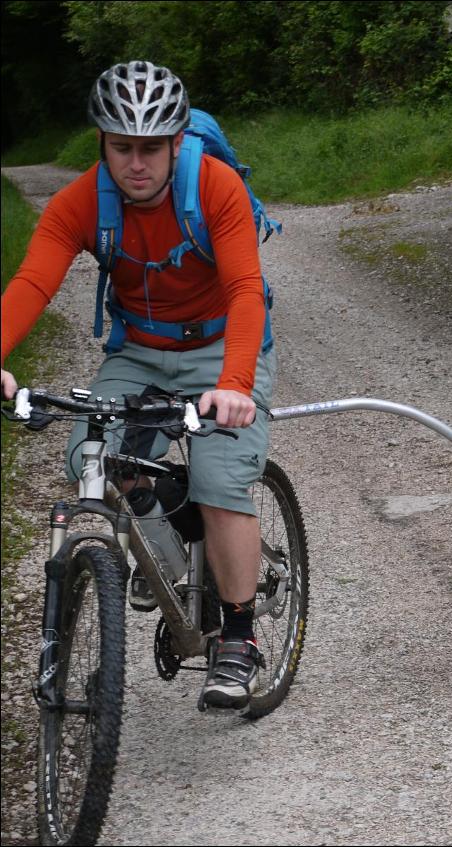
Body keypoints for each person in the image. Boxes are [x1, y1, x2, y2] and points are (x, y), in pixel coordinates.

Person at [1, 60, 275, 710]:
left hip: (220, 348)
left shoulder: (214, 189)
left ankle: (238, 635)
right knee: (88, 457)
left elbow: (243, 290)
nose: (137, 162)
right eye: (122, 146)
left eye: (151, 146)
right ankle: (163, 537)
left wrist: (235, 382)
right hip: (140, 352)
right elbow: (34, 282)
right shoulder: (82, 202)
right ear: (102, 142)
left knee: (221, 478)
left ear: (177, 141)